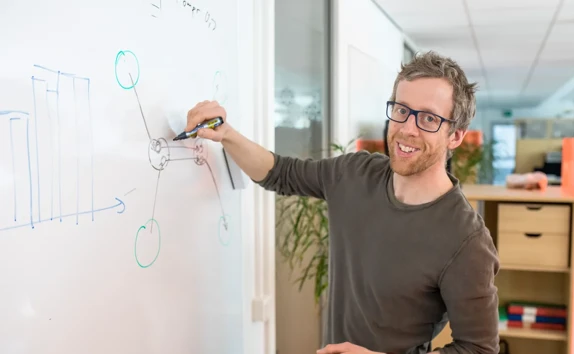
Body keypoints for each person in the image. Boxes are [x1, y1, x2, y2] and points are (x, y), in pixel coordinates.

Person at [186, 51, 500, 354]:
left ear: (455, 136)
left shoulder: (466, 240)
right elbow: (279, 172)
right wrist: (226, 134)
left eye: (428, 118)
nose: (407, 129)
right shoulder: (354, 174)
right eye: (402, 110)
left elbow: (479, 348)